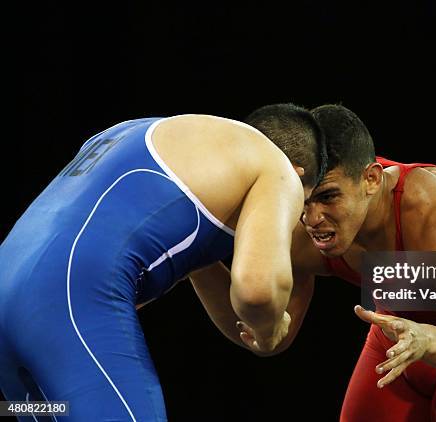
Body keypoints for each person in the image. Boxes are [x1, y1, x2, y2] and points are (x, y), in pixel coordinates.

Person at [0, 104, 326, 421]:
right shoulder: (279, 168)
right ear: (299, 177)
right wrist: (270, 328)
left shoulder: (139, 133)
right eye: (302, 206)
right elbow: (257, 292)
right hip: (68, 300)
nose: (304, 219)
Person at [233, 104, 436, 421]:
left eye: (328, 197)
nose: (311, 219)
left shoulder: (432, 213)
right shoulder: (302, 229)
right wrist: (198, 267)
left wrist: (429, 339)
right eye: (303, 198)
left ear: (372, 180)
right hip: (399, 334)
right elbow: (268, 339)